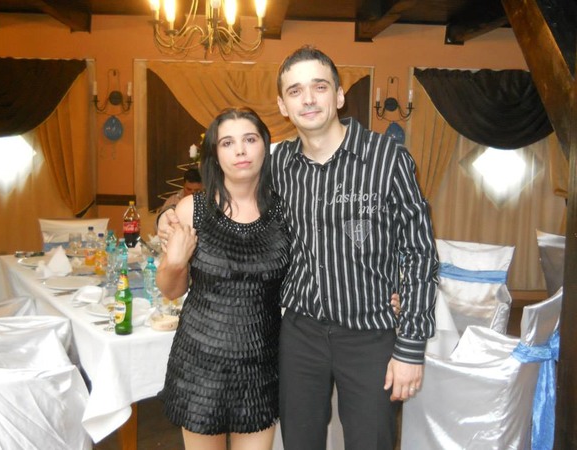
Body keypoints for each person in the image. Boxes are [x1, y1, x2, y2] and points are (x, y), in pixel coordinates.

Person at [159, 46, 438, 450]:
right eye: (295, 91)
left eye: (319, 87)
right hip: (299, 335)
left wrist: (410, 348)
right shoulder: (278, 165)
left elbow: (419, 253)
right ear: (283, 106)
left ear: (338, 96)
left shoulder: (387, 158)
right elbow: (229, 190)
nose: (307, 99)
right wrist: (168, 217)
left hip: (369, 332)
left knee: (371, 442)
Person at [156, 107, 290, 450]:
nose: (240, 150)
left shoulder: (286, 211)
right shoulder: (192, 210)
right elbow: (171, 291)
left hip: (261, 364)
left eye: (250, 139)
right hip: (200, 362)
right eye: (228, 143)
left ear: (265, 146)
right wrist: (175, 262)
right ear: (215, 155)